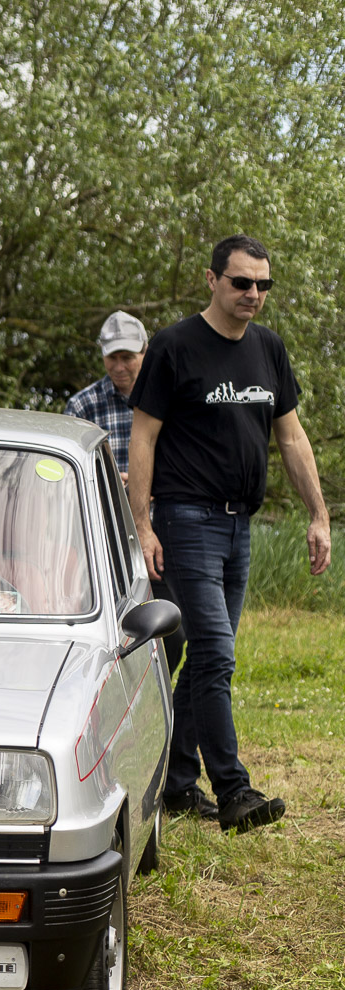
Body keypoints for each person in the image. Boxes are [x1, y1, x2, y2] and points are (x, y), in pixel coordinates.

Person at [129, 234, 331, 834]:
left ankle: (178, 785)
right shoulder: (174, 346)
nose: (253, 294)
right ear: (212, 279)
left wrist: (318, 515)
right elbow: (143, 437)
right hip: (186, 519)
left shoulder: (268, 349)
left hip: (239, 526)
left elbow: (291, 438)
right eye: (242, 282)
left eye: (263, 285)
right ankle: (235, 790)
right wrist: (143, 524)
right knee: (216, 652)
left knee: (200, 662)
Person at [66, 311, 147, 479]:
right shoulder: (81, 406)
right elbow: (68, 471)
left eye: (127, 358)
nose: (119, 367)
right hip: (101, 504)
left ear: (144, 353)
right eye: (112, 358)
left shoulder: (166, 399)